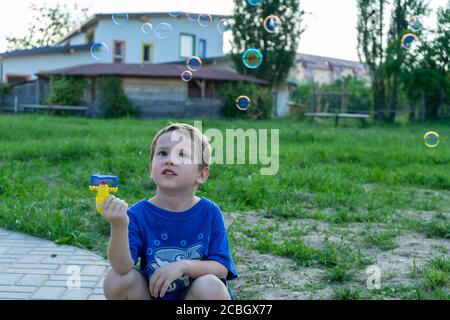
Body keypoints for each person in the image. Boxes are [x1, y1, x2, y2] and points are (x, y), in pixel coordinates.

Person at [102, 123, 238, 300]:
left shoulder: (209, 212)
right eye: (162, 153)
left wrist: (183, 266)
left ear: (202, 174)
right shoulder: (138, 214)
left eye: (181, 154)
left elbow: (221, 267)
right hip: (151, 295)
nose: (169, 160)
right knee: (115, 280)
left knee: (210, 285)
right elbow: (121, 268)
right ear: (151, 168)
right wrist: (118, 227)